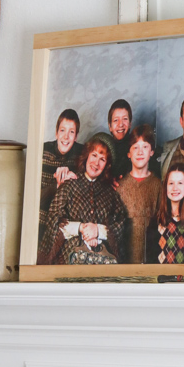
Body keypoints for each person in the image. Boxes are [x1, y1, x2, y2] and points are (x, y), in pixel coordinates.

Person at [38, 136, 127, 265]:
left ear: (107, 165)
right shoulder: (69, 185)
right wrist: (80, 228)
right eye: (94, 155)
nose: (96, 163)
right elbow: (54, 220)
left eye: (102, 159)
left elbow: (120, 225)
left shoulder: (110, 193)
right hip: (68, 262)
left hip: (101, 264)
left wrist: (97, 230)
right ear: (86, 156)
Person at [38, 109, 84, 246]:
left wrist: (74, 181)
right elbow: (34, 199)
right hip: (42, 217)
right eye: (62, 130)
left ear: (76, 136)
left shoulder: (82, 154)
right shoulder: (43, 152)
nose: (66, 137)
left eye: (71, 132)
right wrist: (57, 186)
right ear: (56, 132)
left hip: (68, 220)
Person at [117, 125, 162, 263]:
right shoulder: (121, 187)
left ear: (152, 152)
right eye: (135, 147)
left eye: (145, 147)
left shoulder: (158, 185)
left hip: (152, 256)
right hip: (126, 258)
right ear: (129, 154)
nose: (140, 152)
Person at [146, 164, 184, 264]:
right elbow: (150, 260)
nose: (175, 188)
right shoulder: (156, 221)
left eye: (180, 183)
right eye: (171, 183)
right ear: (166, 186)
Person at [94, 99, 133, 180]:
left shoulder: (136, 147)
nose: (121, 124)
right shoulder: (104, 147)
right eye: (116, 120)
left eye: (125, 119)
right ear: (110, 126)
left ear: (130, 124)